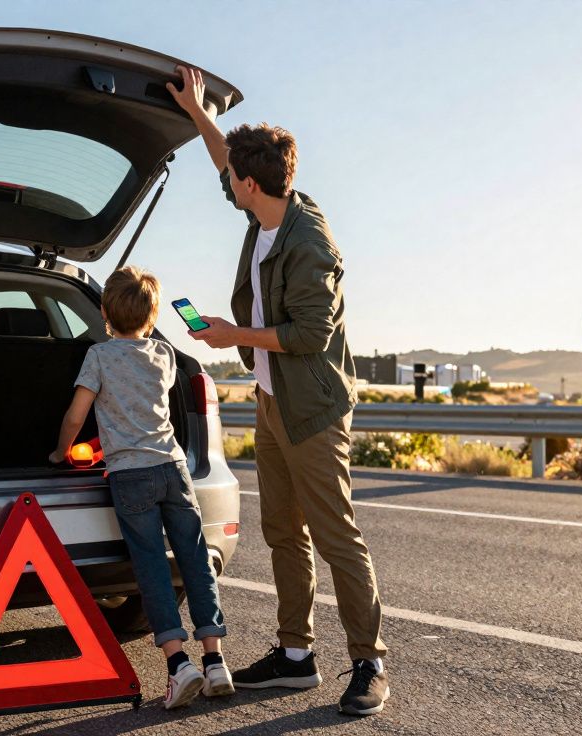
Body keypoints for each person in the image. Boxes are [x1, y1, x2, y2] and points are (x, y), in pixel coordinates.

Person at [166, 66, 391, 717]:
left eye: (234, 178)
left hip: (313, 410)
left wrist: (233, 331)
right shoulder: (265, 210)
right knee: (283, 533)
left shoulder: (310, 242)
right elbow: (224, 160)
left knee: (335, 537)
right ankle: (296, 656)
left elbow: (310, 335)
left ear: (252, 184)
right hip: (271, 403)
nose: (227, 184)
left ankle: (369, 662)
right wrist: (197, 112)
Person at [50, 265, 234, 710]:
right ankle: (215, 661)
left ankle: (178, 666)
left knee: (151, 566)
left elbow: (77, 415)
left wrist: (61, 451)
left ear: (102, 313)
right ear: (152, 316)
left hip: (130, 476)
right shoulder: (165, 355)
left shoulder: (97, 357)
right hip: (173, 468)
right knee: (193, 560)